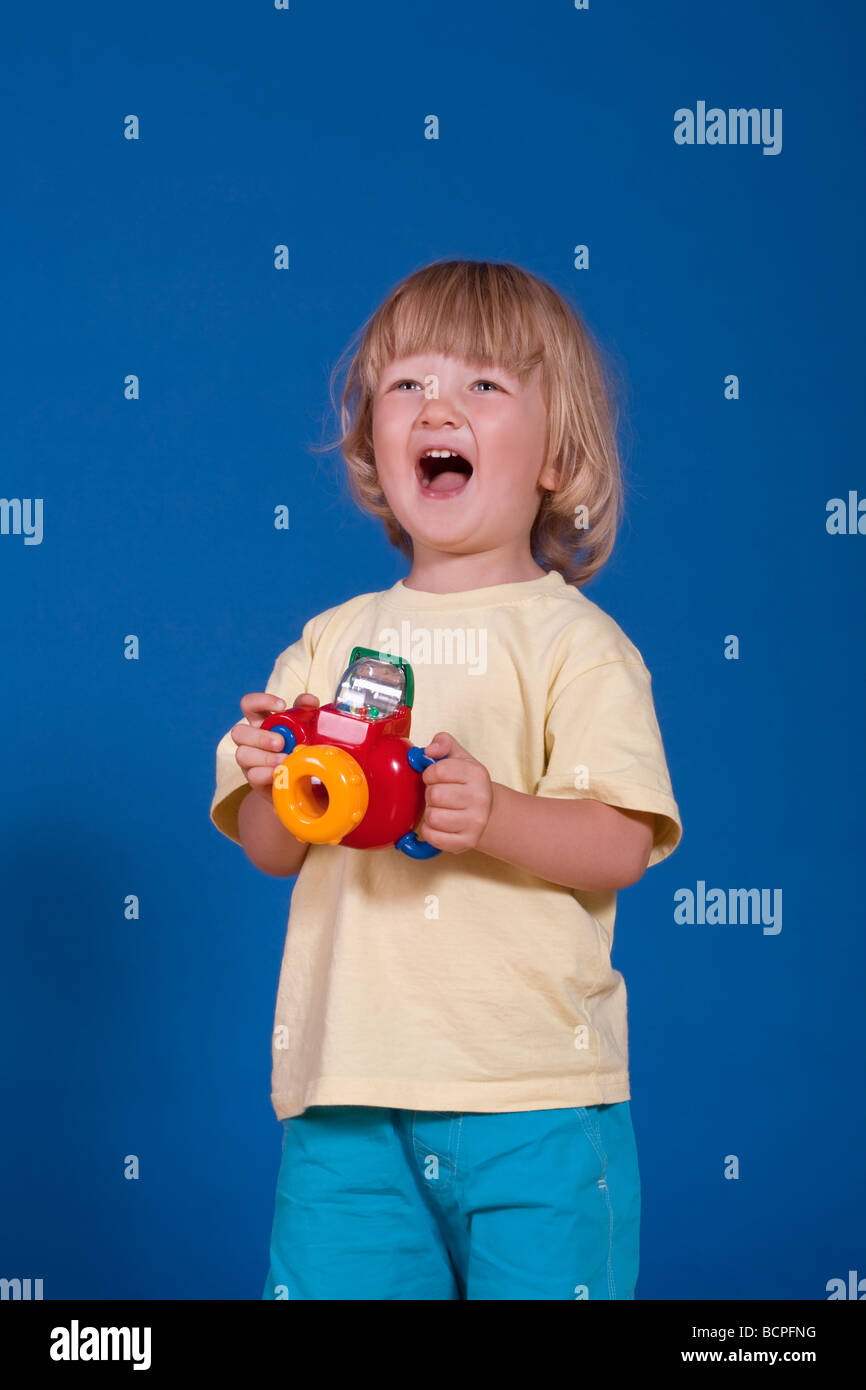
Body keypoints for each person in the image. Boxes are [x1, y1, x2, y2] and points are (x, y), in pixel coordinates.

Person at [209, 259, 683, 1300]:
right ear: (375, 445)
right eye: (408, 385)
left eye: (482, 385)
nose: (438, 406)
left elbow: (620, 845)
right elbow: (270, 849)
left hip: (534, 1098)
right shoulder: (329, 643)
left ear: (557, 453)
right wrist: (267, 777)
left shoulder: (576, 645)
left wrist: (495, 814)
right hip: (347, 1096)